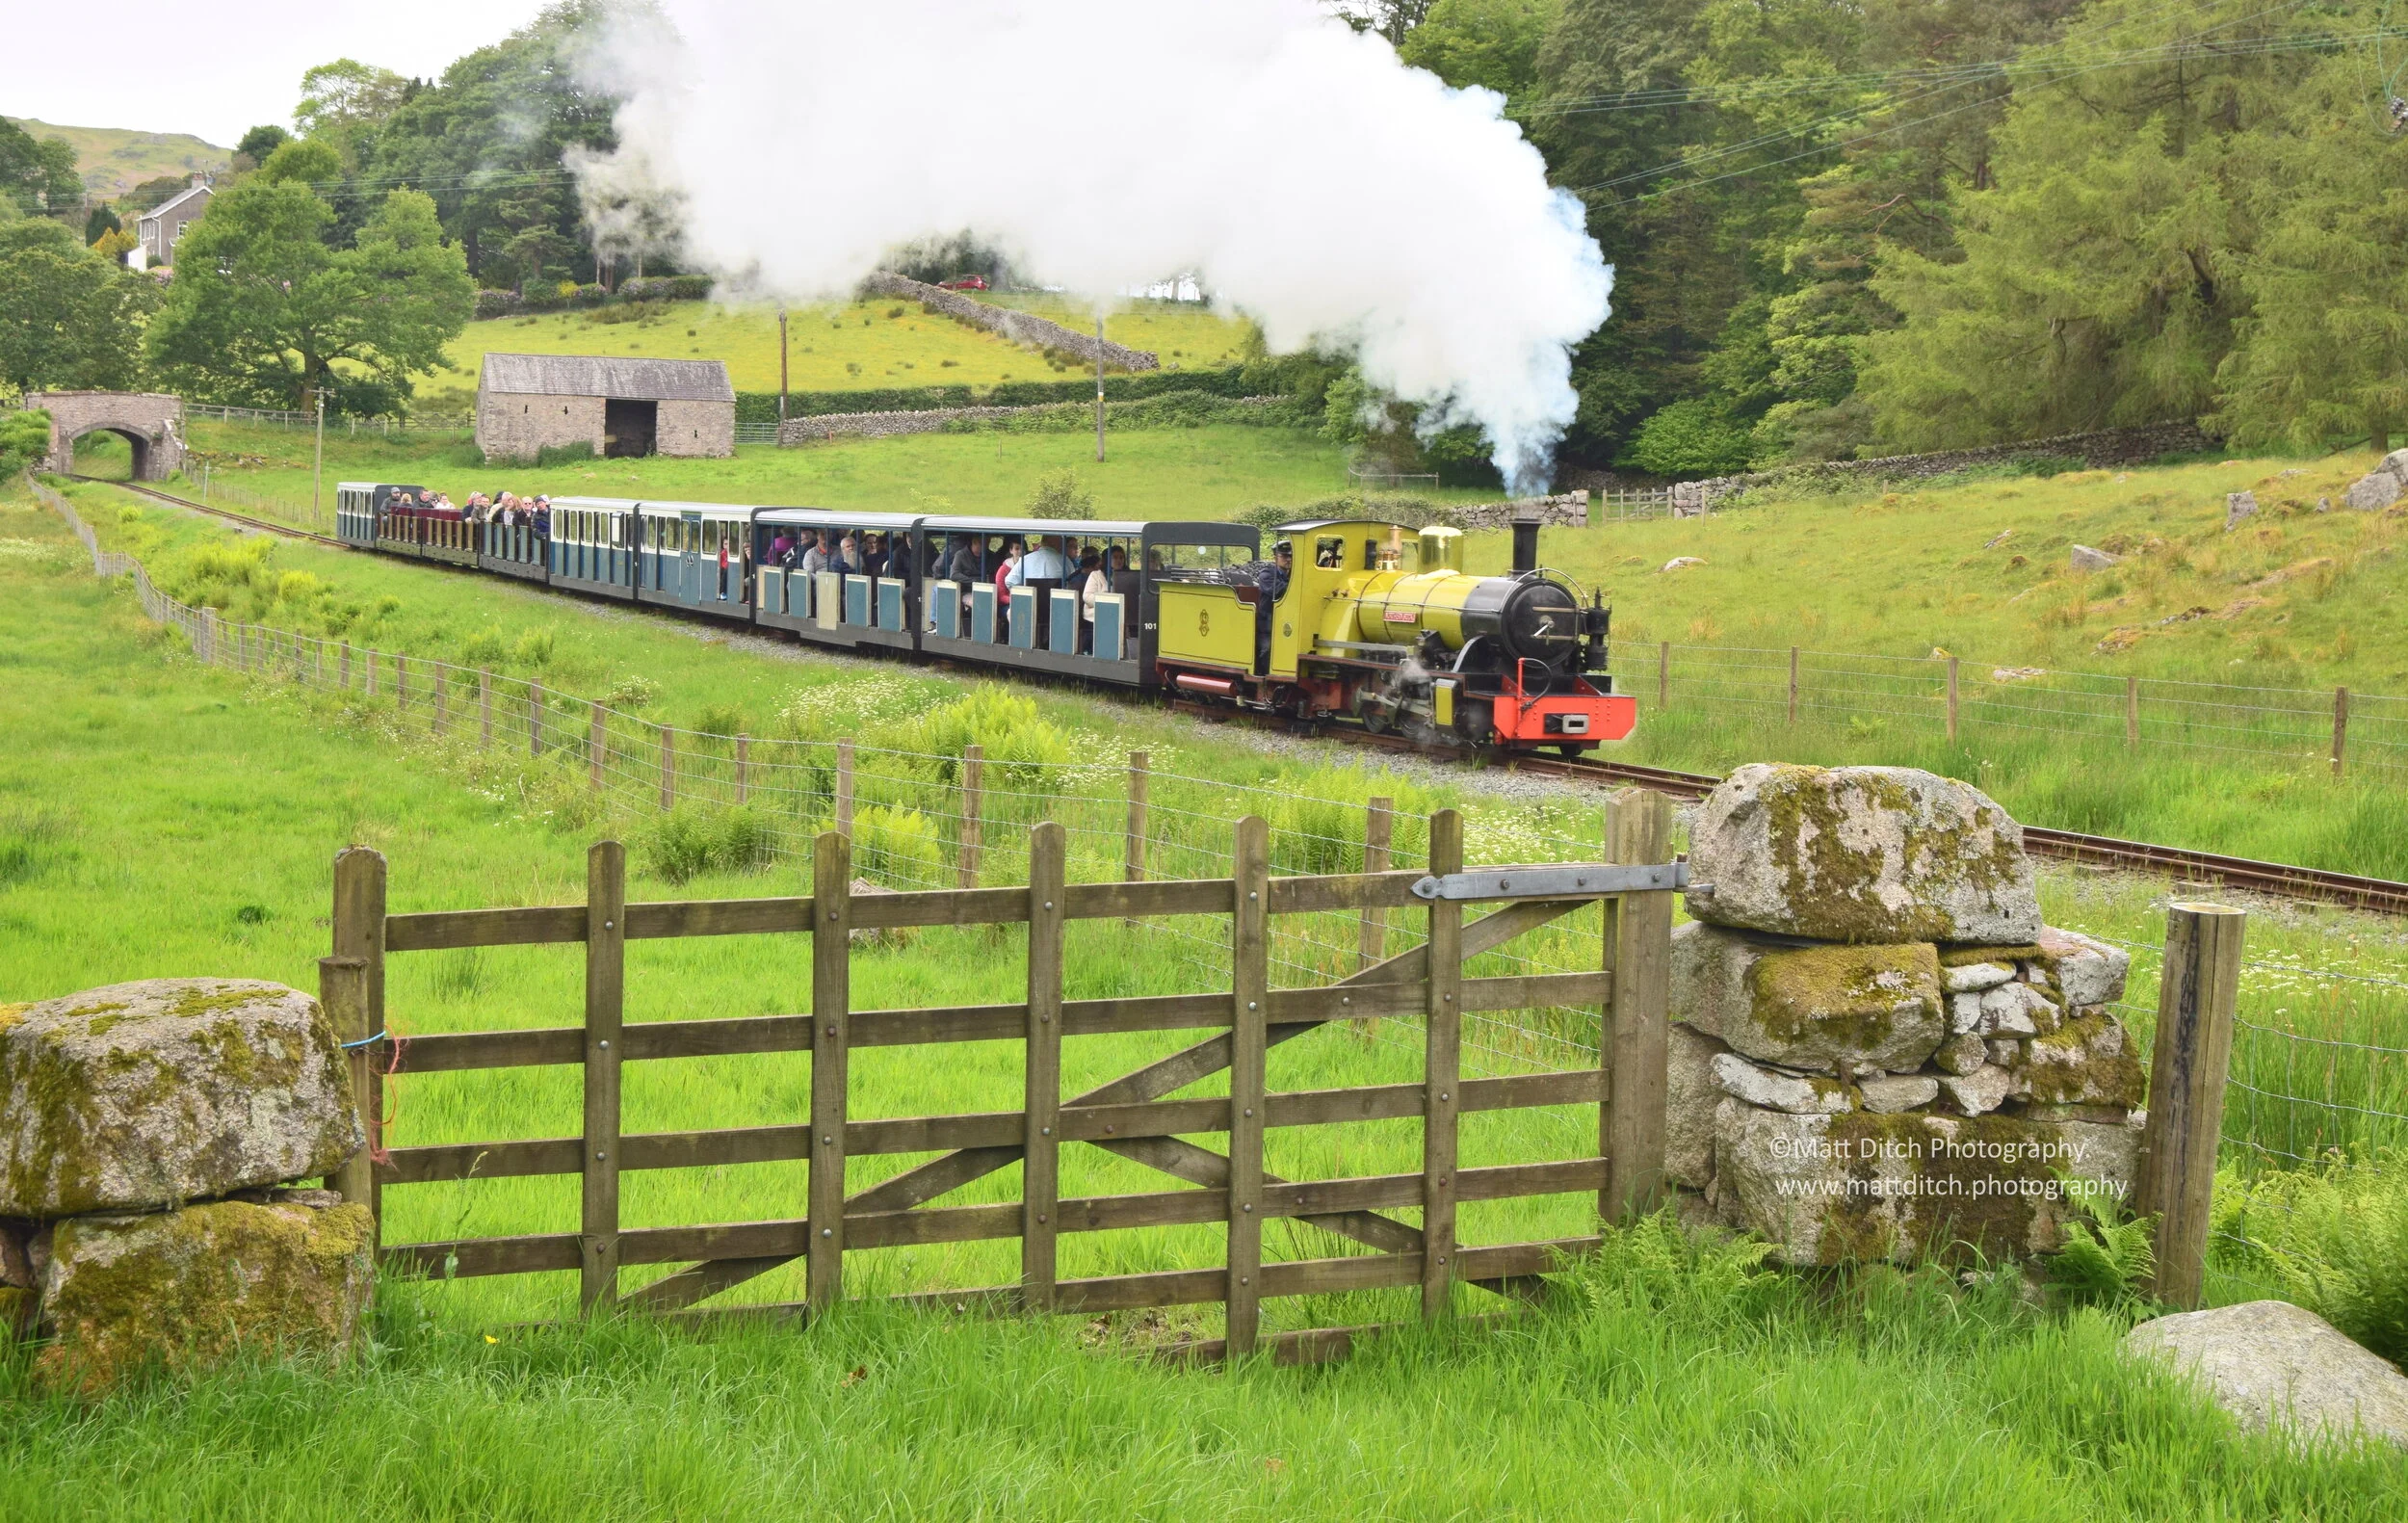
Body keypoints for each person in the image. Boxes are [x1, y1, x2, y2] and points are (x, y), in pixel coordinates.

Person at [1077, 551, 1109, 655]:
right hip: (1096, 614)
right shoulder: (1096, 575)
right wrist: (1105, 602)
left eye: (1121, 557)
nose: (1119, 560)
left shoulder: (1126, 575)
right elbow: (1087, 596)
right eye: (1115, 557)